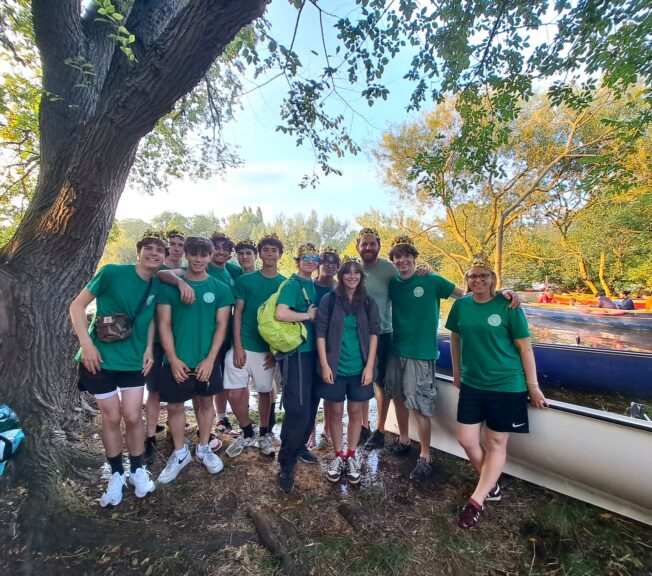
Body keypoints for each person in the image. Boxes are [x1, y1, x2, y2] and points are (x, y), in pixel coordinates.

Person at [445, 261, 547, 529]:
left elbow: (525, 348)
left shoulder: (508, 305)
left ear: (492, 279)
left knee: (495, 443)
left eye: (483, 275)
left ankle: (476, 501)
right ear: (466, 280)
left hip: (507, 385)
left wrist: (533, 386)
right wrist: (457, 372)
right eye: (472, 276)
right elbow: (455, 339)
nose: (478, 280)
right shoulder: (461, 305)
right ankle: (491, 483)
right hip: (472, 383)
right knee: (466, 440)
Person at [70, 231, 166, 507]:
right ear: (139, 251)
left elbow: (148, 321)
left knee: (134, 415)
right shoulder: (112, 272)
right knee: (111, 417)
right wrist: (87, 345)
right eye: (149, 248)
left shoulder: (158, 284)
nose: (154, 253)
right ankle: (115, 473)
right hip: (99, 360)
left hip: (134, 361)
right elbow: (77, 306)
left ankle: (137, 469)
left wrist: (149, 348)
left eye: (160, 250)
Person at [156, 237, 233, 483]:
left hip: (206, 359)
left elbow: (221, 327)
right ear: (186, 255)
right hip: (177, 360)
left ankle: (203, 448)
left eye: (203, 255)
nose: (199, 259)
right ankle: (180, 453)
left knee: (206, 403)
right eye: (194, 254)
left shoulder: (220, 288)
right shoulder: (170, 287)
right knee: (175, 406)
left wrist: (211, 360)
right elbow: (164, 324)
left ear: (209, 257)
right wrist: (173, 359)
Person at [316, 259, 380, 484]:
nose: (352, 277)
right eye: (347, 273)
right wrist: (324, 364)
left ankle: (351, 455)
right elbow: (320, 332)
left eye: (356, 273)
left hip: (360, 368)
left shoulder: (368, 302)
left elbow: (374, 333)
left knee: (355, 413)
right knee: (334, 412)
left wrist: (370, 365)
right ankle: (338, 455)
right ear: (341, 276)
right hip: (334, 368)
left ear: (361, 277)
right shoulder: (330, 300)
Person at [224, 234, 286, 457]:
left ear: (280, 254)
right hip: (244, 345)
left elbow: (283, 321)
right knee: (233, 392)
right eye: (266, 250)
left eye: (274, 250)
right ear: (260, 254)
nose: (270, 254)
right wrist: (238, 345)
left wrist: (274, 349)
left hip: (266, 350)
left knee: (265, 392)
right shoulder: (245, 281)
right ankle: (247, 431)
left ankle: (264, 432)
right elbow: (237, 314)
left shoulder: (284, 283)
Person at [275, 243, 320, 493]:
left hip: (314, 353)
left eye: (314, 257)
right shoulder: (293, 285)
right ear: (297, 260)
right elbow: (281, 313)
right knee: (297, 408)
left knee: (311, 404)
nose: (310, 261)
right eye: (306, 257)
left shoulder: (314, 284)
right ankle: (286, 463)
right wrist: (307, 316)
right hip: (297, 355)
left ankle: (301, 446)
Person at [144, 229, 186, 464]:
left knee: (175, 391)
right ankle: (150, 436)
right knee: (154, 390)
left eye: (181, 244)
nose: (177, 248)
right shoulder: (158, 270)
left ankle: (174, 429)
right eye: (173, 243)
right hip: (157, 342)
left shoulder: (188, 271)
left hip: (180, 341)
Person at [310, 247, 341, 446]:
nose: (329, 265)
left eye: (333, 263)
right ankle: (310, 431)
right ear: (318, 265)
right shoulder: (308, 286)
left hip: (333, 348)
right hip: (308, 346)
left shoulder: (341, 289)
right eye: (325, 262)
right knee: (311, 392)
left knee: (333, 392)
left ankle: (328, 430)